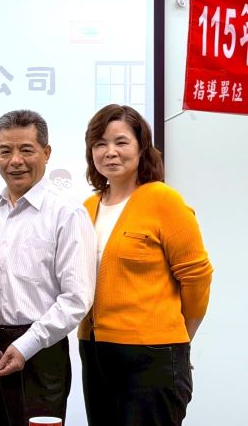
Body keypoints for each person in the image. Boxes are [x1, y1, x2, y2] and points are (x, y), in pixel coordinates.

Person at [0, 109, 97, 425]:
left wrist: (26, 344)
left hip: (40, 353)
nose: (15, 160)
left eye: (26, 150)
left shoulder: (67, 214)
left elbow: (77, 299)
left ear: (47, 153)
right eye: (5, 151)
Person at [78, 104, 213, 426]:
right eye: (100, 144)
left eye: (121, 142)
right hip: (94, 350)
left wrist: (180, 341)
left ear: (142, 147)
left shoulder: (163, 200)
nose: (110, 152)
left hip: (153, 354)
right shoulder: (87, 207)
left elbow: (197, 277)